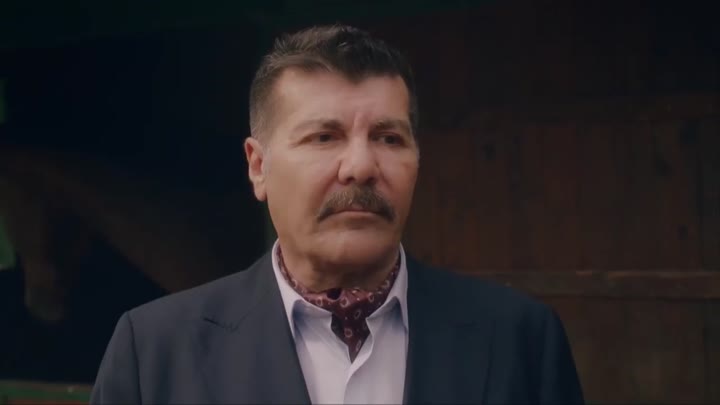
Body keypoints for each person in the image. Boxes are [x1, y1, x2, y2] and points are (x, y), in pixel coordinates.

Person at [90, 25, 584, 404]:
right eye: (324, 137)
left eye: (388, 138)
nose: (361, 167)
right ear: (258, 167)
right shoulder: (153, 352)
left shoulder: (520, 340)